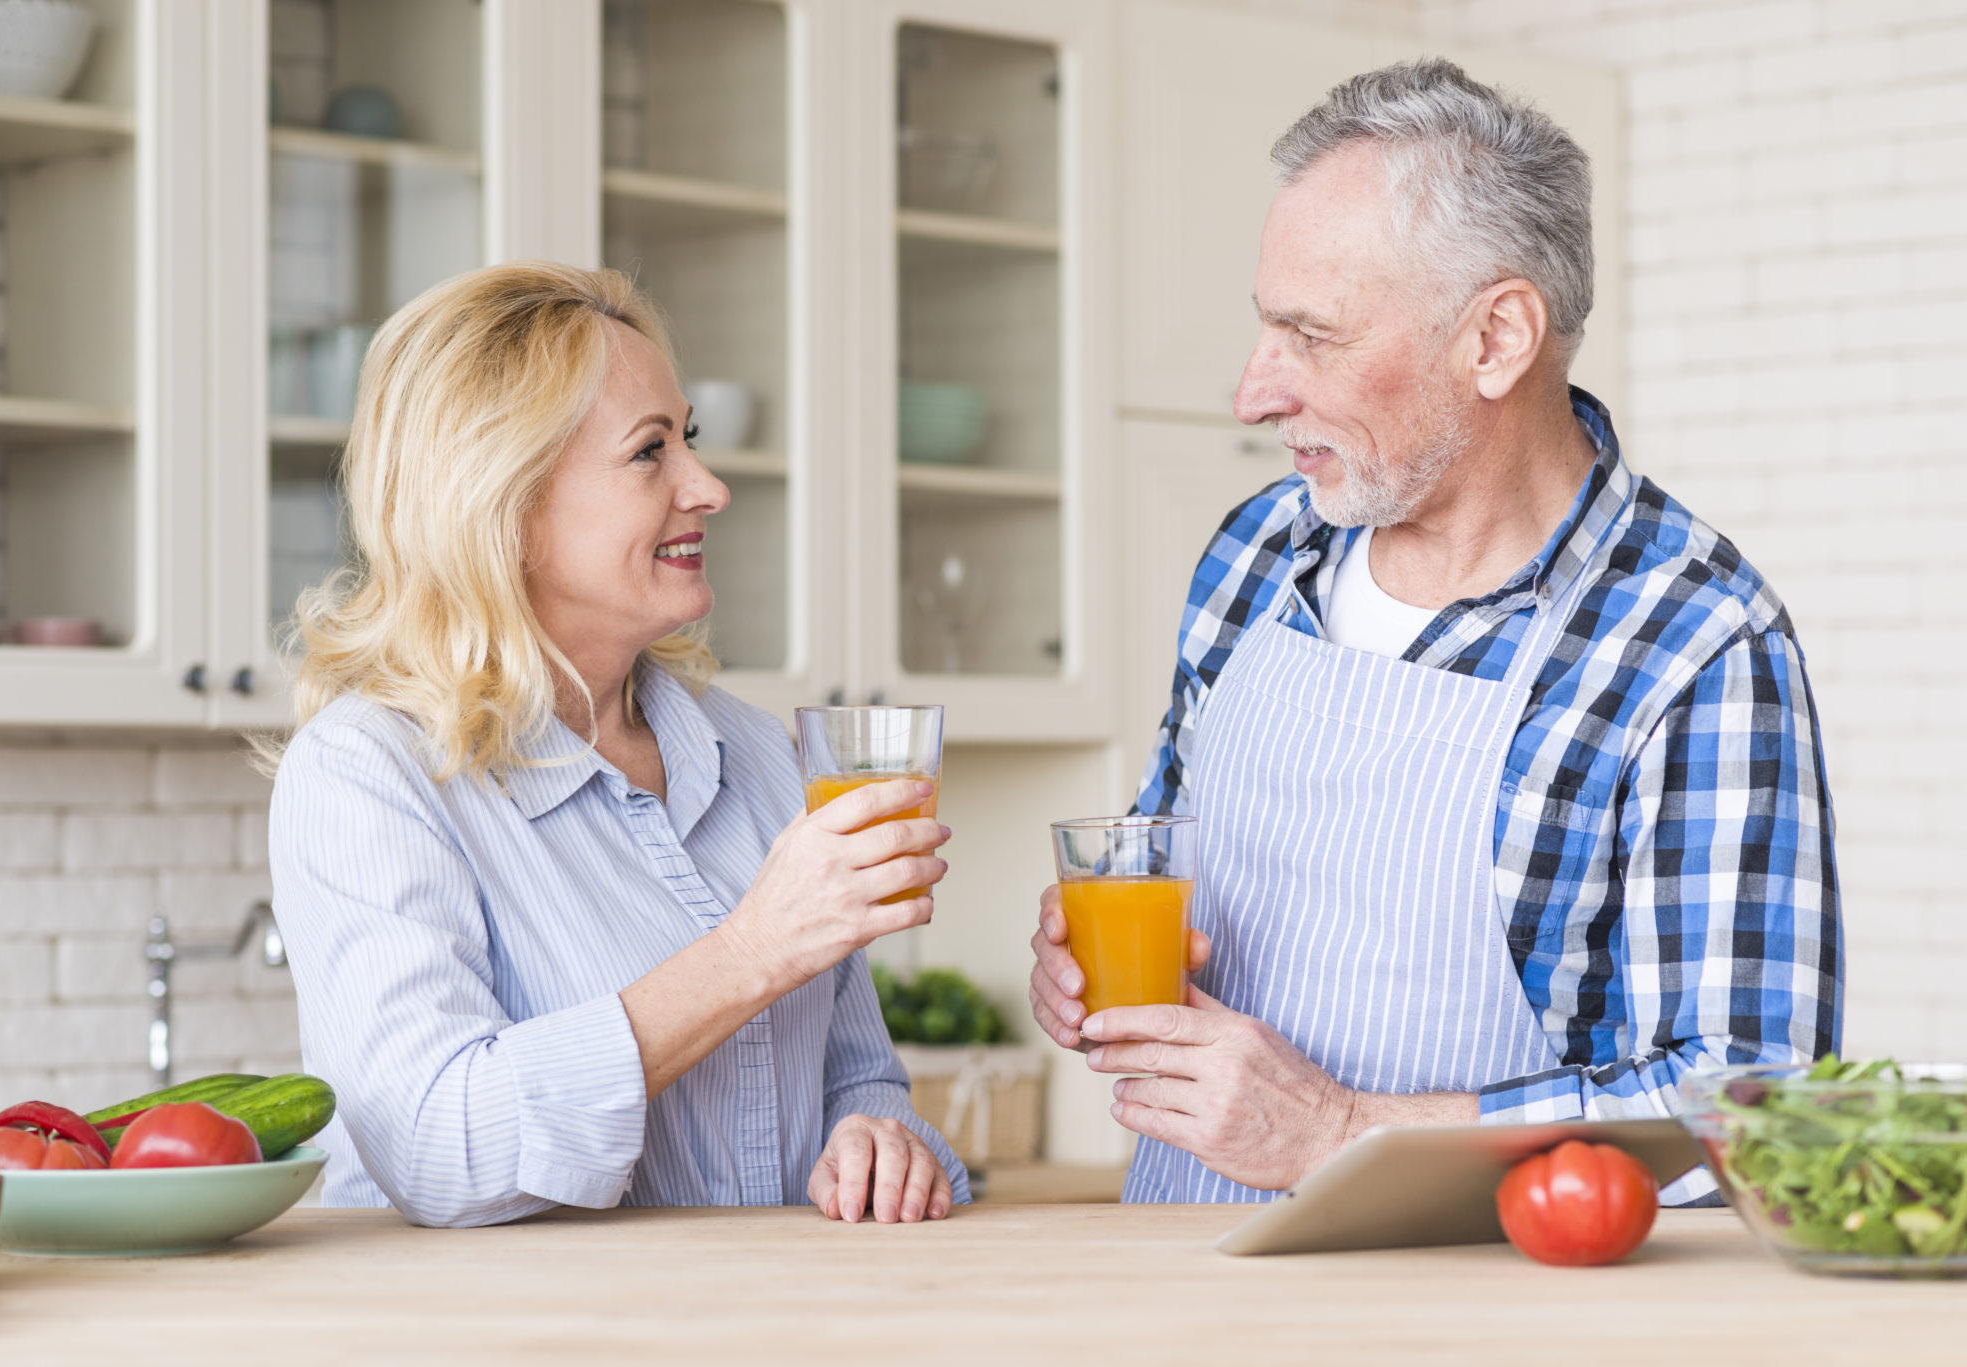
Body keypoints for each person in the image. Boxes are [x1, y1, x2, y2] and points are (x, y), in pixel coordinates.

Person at [1027, 59, 1842, 1205]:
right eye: (1264, 328)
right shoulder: (1258, 551)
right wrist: (1077, 954)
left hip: (1480, 1312)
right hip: (1170, 1280)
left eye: (1311, 336)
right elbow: (1160, 871)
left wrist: (1346, 1131)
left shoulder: (1690, 638)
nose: (1252, 392)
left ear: (1497, 338)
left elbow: (1748, 1104)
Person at [266, 262, 966, 1228]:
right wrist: (751, 950)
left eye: (691, 439)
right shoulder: (370, 775)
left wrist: (878, 1141)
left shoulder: (765, 759)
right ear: (503, 508)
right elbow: (436, 1146)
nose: (709, 487)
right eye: (650, 453)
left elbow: (861, 1081)